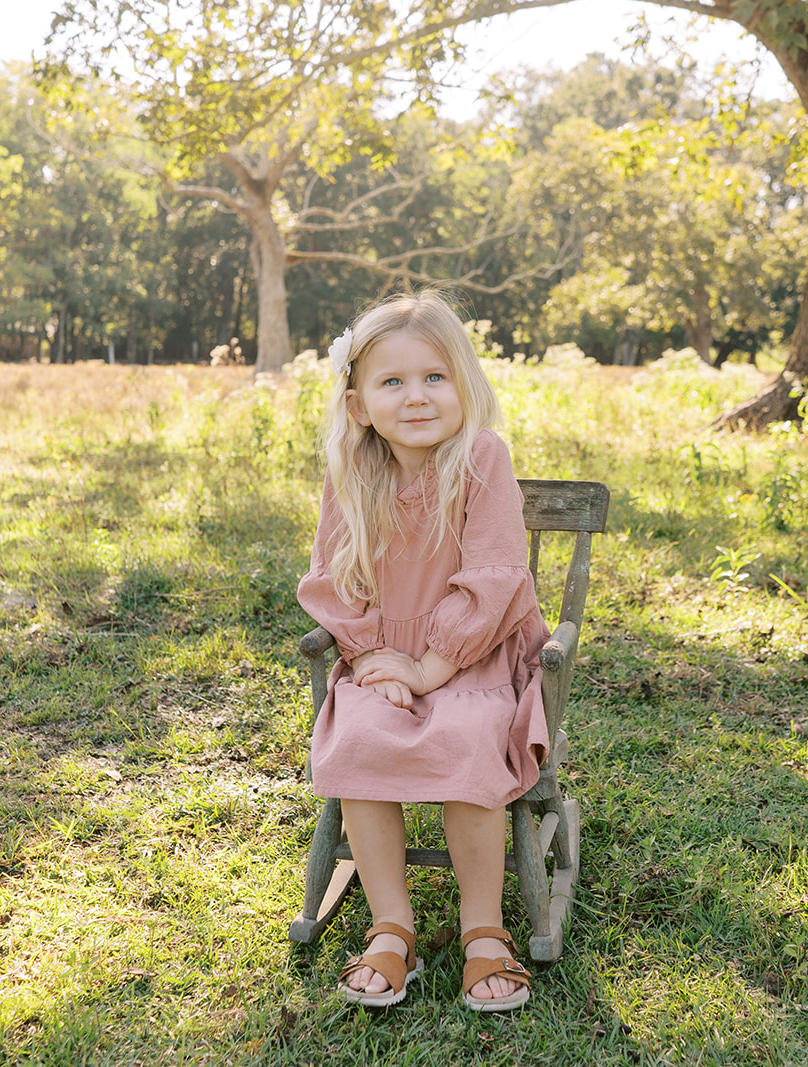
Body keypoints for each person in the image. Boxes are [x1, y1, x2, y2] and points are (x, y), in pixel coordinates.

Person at [297, 290, 550, 1012]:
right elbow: (331, 578)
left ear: (465, 386)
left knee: (470, 740)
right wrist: (379, 657)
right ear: (357, 403)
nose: (416, 397)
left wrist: (431, 664)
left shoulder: (482, 460)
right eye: (393, 382)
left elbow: (497, 575)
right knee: (363, 736)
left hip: (476, 655)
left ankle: (483, 927)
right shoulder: (352, 473)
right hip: (386, 659)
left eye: (435, 377)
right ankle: (391, 925)